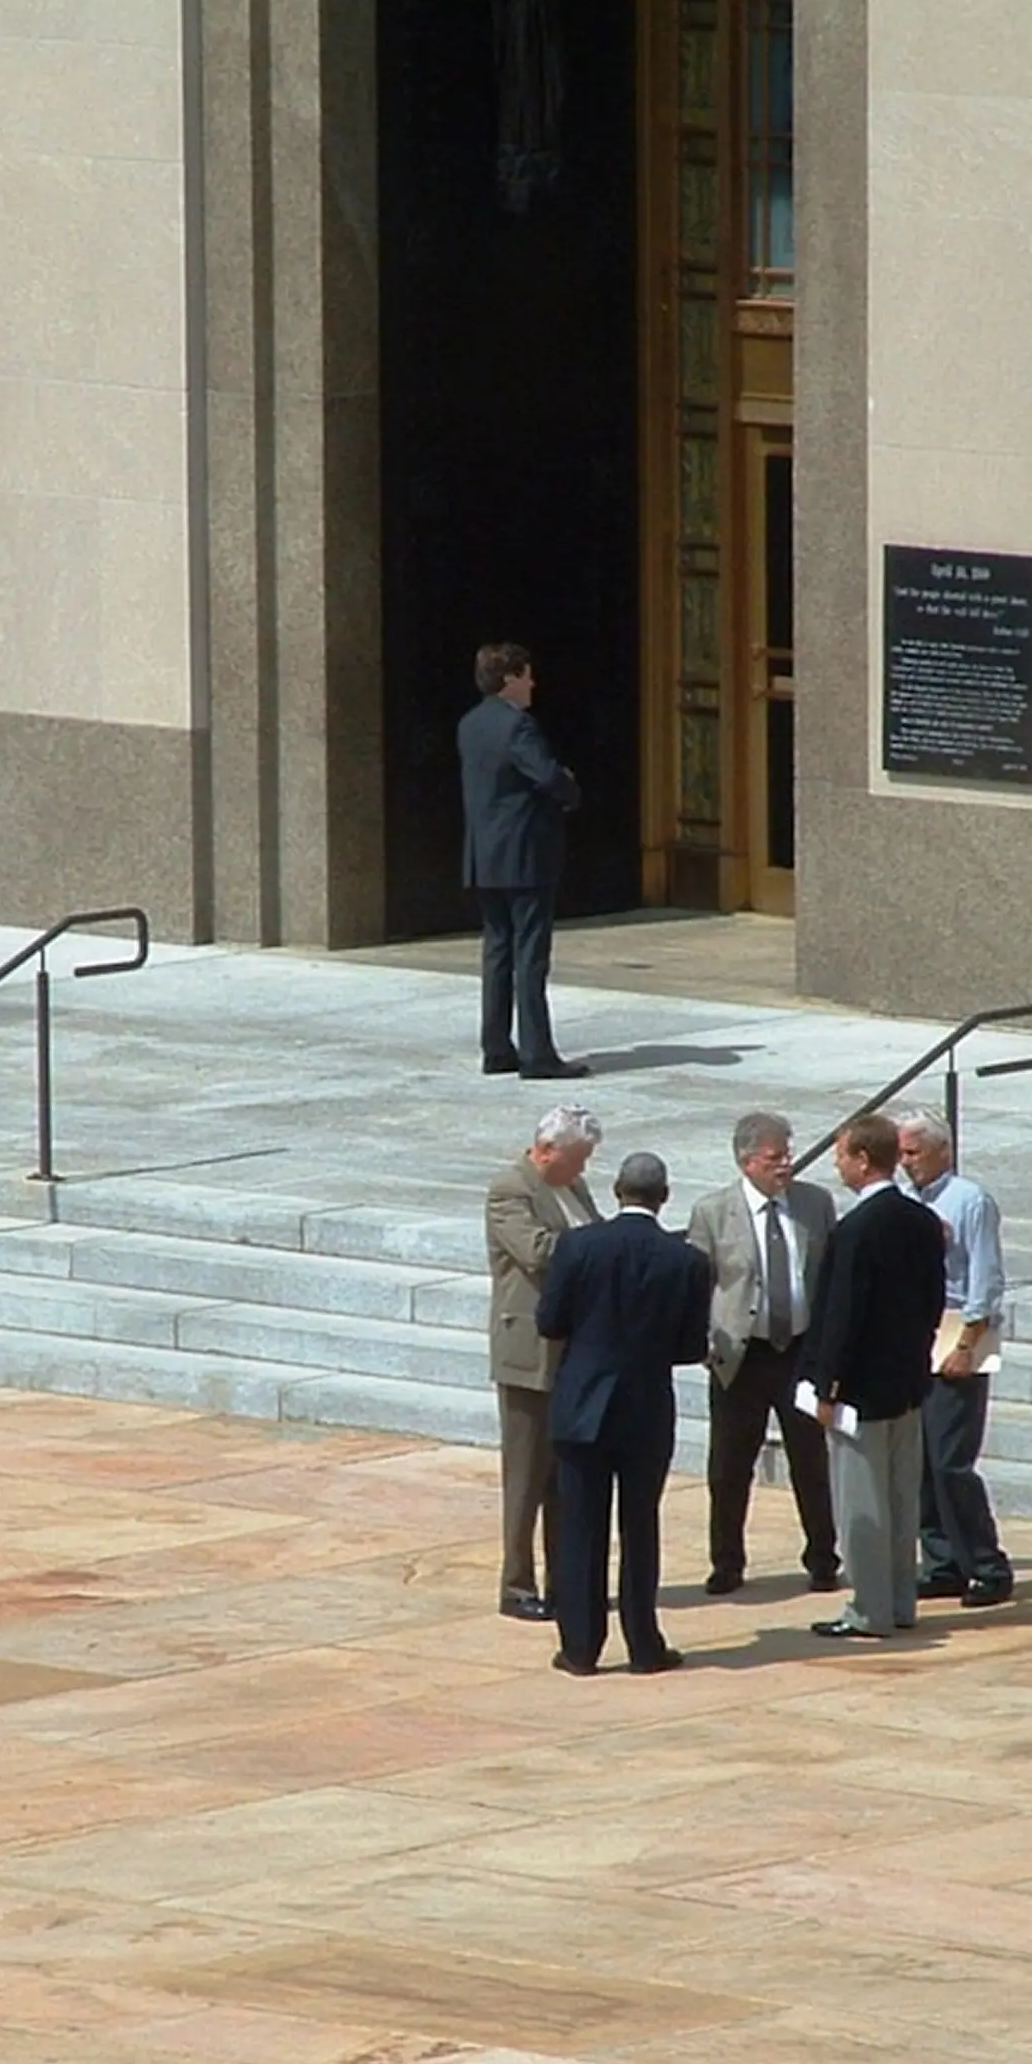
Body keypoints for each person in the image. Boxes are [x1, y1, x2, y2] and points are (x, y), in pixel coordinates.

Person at [534, 1150, 712, 1675]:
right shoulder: (687, 1261)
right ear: (664, 1197)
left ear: (617, 1191)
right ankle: (643, 1644)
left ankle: (581, 1647)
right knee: (641, 1527)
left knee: (581, 1527)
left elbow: (550, 1321)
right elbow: (688, 1346)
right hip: (645, 1409)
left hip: (583, 1404)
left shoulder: (579, 1246)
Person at [798, 1113, 947, 1643]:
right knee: (902, 1498)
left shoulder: (856, 1230)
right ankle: (900, 1601)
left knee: (862, 1504)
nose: (838, 1165)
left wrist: (826, 1386)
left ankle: (869, 1608)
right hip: (907, 1384)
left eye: (841, 1156)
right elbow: (933, 1302)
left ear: (864, 1160)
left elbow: (842, 1316)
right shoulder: (922, 1220)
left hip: (860, 1391)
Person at [685, 1111, 839, 1597]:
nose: (785, 1165)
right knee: (730, 1466)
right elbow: (698, 1284)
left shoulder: (815, 1204)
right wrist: (705, 1342)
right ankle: (726, 1562)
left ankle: (822, 1558)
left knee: (811, 1461)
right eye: (775, 1157)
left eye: (788, 1154)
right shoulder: (714, 1212)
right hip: (741, 1355)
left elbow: (827, 1276)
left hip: (798, 1350)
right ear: (747, 1161)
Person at [485, 1103, 603, 1620]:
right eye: (576, 1159)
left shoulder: (571, 1187)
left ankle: (565, 1579)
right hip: (529, 1351)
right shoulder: (510, 1189)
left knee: (564, 1475)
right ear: (547, 1150)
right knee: (526, 1475)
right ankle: (516, 1585)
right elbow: (538, 1252)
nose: (582, 1170)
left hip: (574, 1349)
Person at [896, 1108, 1014, 1607]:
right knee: (920, 1459)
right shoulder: (905, 1200)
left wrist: (967, 1344)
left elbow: (985, 1279)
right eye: (901, 1153)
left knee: (950, 1460)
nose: (906, 1163)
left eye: (913, 1153)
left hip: (958, 1330)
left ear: (942, 1151)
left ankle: (987, 1563)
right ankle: (940, 1560)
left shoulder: (969, 1201)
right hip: (916, 1334)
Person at [458, 641, 585, 1080]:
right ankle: (537, 1054)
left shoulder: (470, 724)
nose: (533, 683)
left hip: (485, 856)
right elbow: (546, 775)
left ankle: (496, 1047)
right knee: (530, 954)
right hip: (525, 856)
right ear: (510, 678)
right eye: (527, 675)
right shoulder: (519, 728)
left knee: (497, 951)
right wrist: (569, 787)